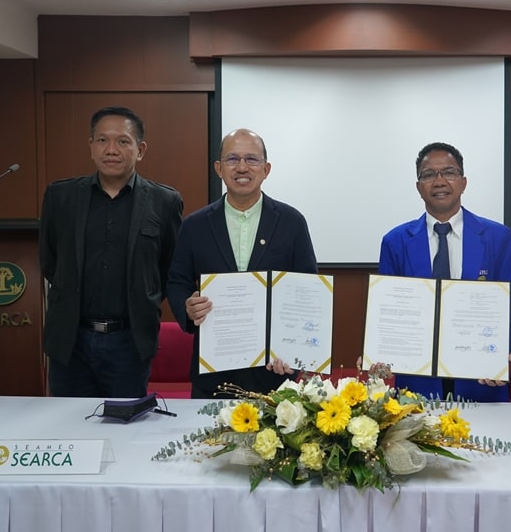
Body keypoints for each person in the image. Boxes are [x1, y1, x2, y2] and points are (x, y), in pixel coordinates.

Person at [39, 106, 183, 398]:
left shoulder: (164, 201)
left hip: (128, 343)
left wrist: (143, 298)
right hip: (70, 339)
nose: (111, 150)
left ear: (140, 149)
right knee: (69, 427)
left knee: (124, 429)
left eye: (123, 141)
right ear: (91, 147)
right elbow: (49, 261)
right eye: (102, 140)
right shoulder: (60, 197)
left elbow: (168, 269)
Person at [167, 129, 318, 398]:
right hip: (213, 375)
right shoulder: (195, 226)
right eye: (232, 159)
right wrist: (187, 308)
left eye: (252, 159)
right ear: (219, 168)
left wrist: (294, 352)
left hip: (274, 373)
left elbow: (307, 290)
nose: (242, 167)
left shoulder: (291, 222)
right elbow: (177, 282)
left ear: (266, 168)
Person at [377, 142, 511, 402]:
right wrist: (381, 350)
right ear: (419, 187)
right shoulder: (395, 242)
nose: (439, 181)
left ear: (463, 182)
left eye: (449, 173)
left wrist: (498, 355)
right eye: (429, 175)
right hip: (416, 384)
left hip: (481, 380)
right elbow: (388, 312)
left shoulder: (497, 237)